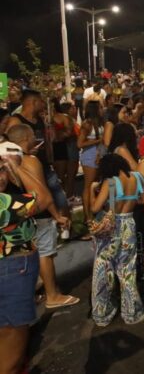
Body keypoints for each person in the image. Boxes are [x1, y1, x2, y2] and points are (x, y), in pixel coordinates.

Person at [5, 127, 76, 309]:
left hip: (21, 220)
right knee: (45, 254)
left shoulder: (17, 159)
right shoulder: (28, 161)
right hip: (38, 215)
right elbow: (43, 195)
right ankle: (52, 295)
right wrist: (57, 216)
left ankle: (36, 293)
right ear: (27, 137)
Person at [89, 154, 144, 326]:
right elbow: (142, 200)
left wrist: (92, 191)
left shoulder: (111, 182)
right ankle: (132, 313)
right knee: (127, 270)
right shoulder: (137, 177)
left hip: (111, 228)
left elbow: (95, 207)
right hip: (129, 224)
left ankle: (103, 313)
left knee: (103, 269)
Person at [0, 144, 42, 374]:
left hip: (12, 270)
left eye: (0, 170)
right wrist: (17, 166)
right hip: (10, 273)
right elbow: (42, 197)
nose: (1, 177)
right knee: (12, 358)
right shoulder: (4, 205)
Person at [79, 101, 108, 220]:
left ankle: (94, 211)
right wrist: (98, 140)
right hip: (89, 156)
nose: (103, 109)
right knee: (88, 185)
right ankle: (88, 216)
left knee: (95, 185)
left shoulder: (101, 122)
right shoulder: (87, 124)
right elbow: (79, 143)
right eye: (100, 107)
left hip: (98, 155)